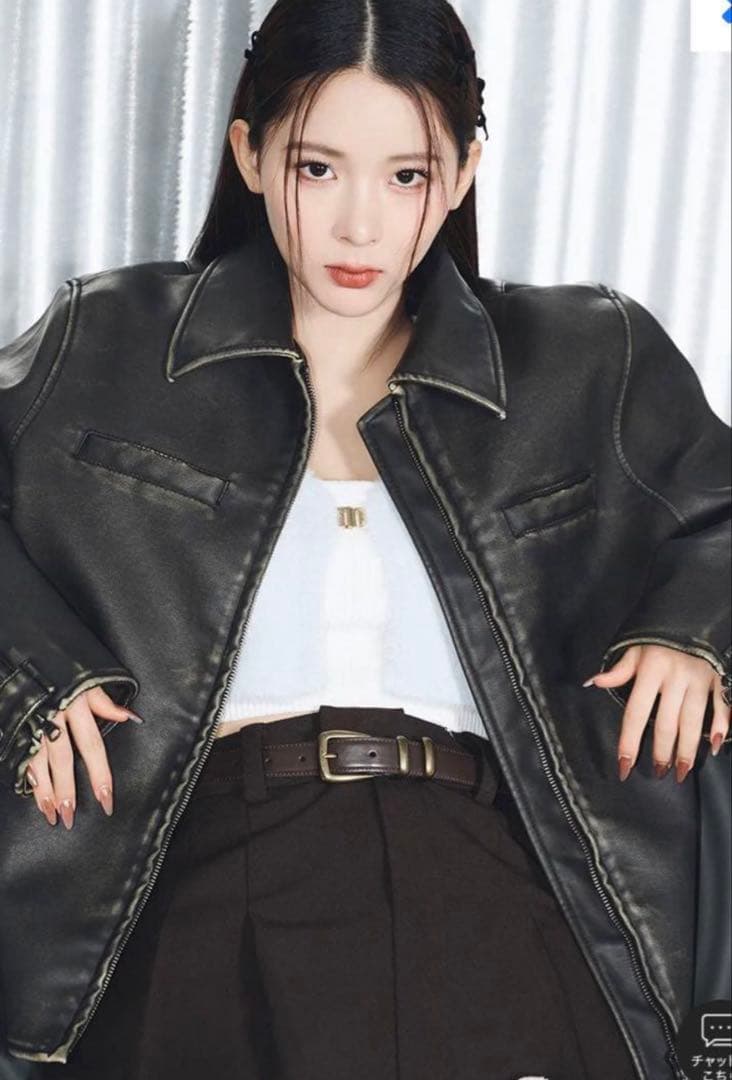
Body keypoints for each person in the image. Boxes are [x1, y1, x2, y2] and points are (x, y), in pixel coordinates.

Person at [0, 1, 729, 1078]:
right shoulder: (109, 341)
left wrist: (694, 629)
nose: (359, 227)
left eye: (406, 175)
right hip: (200, 904)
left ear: (465, 171)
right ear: (249, 154)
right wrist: (31, 677)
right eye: (317, 168)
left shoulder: (586, 359)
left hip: (494, 901)